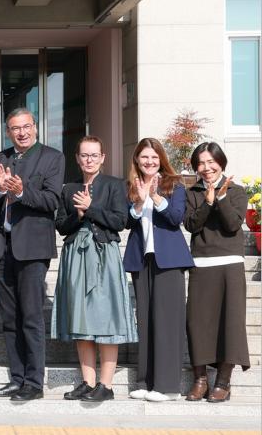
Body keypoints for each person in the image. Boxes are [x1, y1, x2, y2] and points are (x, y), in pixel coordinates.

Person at [0, 107, 64, 401]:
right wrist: (1, 190)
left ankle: (34, 381)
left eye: (26, 126)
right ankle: (16, 378)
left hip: (32, 249)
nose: (21, 132)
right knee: (9, 318)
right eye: (15, 128)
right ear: (8, 132)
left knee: (31, 316)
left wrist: (20, 192)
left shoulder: (52, 157)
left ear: (36, 127)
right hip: (2, 246)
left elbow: (52, 199)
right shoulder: (1, 158)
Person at [51, 136, 137, 402]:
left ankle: (106, 385)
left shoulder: (114, 185)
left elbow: (120, 222)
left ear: (103, 158)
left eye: (94, 155)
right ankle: (88, 383)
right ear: (77, 158)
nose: (88, 160)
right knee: (81, 319)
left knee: (105, 319)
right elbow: (61, 225)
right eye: (84, 155)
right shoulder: (69, 188)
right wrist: (77, 217)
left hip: (103, 256)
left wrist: (90, 209)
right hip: (75, 255)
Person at [123, 138, 194, 402]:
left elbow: (177, 219)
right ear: (137, 161)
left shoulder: (173, 184)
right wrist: (140, 202)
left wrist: (155, 197)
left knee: (168, 323)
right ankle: (146, 381)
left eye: (154, 157)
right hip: (142, 260)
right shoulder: (131, 186)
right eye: (144, 158)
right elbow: (126, 221)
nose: (149, 162)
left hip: (170, 261)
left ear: (161, 158)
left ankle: (168, 387)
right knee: (147, 321)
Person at [183, 142, 250, 403]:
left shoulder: (237, 191)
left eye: (211, 162)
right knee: (197, 323)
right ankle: (200, 379)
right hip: (201, 263)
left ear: (221, 162)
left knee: (230, 323)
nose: (206, 167)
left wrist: (220, 198)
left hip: (230, 264)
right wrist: (207, 203)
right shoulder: (192, 193)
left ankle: (223, 382)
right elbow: (191, 225)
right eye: (201, 163)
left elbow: (233, 223)